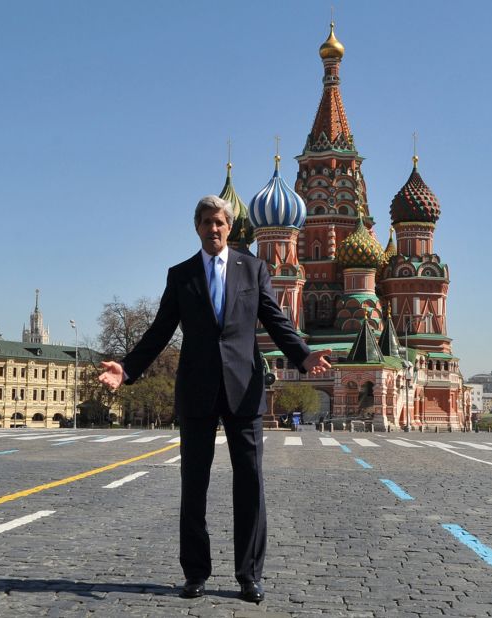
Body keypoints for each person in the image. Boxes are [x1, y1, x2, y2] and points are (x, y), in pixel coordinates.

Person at [98, 195, 331, 603]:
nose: (214, 228)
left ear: (229, 226)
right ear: (197, 227)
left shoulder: (253, 268)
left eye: (220, 222)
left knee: (251, 484)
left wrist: (303, 354)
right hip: (198, 389)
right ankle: (195, 573)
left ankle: (249, 576)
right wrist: (128, 368)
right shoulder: (181, 275)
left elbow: (276, 320)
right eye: (206, 222)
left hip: (244, 389)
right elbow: (159, 330)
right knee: (195, 484)